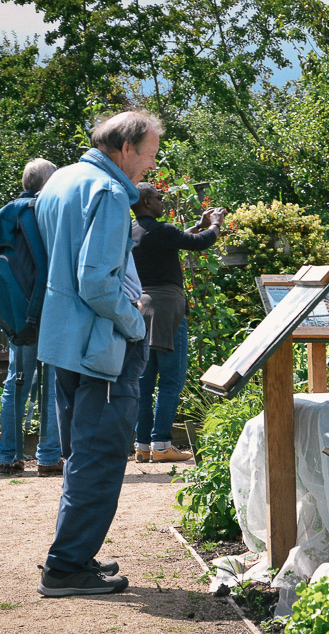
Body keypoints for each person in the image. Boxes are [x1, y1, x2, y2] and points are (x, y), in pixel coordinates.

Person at [33, 111, 162, 597]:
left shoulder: (63, 180)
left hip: (65, 338)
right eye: (148, 155)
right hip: (103, 343)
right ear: (125, 148)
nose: (150, 165)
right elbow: (97, 283)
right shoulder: (108, 193)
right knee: (101, 455)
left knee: (80, 453)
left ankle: (75, 555)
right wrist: (135, 323)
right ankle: (66, 567)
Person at [130, 183, 225, 463]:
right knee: (172, 380)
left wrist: (198, 224)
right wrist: (215, 224)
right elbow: (201, 243)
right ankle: (162, 444)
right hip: (168, 311)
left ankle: (143, 445)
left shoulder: (130, 232)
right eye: (159, 198)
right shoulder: (161, 230)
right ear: (147, 201)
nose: (163, 203)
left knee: (144, 382)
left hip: (139, 311)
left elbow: (175, 238)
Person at [0, 158, 64, 477]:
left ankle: (9, 456)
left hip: (16, 314)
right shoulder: (50, 211)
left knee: (15, 383)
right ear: (47, 183)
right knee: (51, 383)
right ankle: (49, 456)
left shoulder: (4, 216)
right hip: (49, 308)